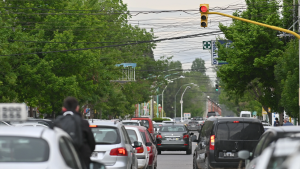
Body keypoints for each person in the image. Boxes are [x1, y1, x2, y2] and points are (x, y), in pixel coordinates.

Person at [62, 97, 96, 169]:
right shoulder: (83, 123)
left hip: (62, 161)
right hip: (82, 160)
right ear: (77, 108)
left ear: (63, 109)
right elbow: (92, 143)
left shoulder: (57, 123)